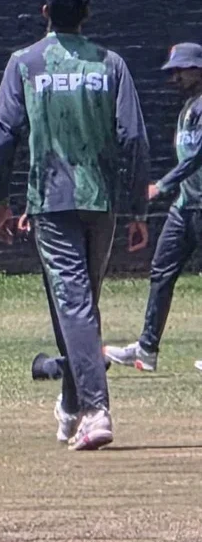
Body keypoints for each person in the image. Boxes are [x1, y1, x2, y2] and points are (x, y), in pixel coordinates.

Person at [0, 0, 150, 450]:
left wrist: (0, 202)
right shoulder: (110, 64)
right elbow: (134, 139)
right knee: (80, 305)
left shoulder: (25, 62)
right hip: (100, 201)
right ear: (87, 15)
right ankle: (70, 406)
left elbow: (3, 138)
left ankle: (97, 410)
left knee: (74, 304)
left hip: (51, 200)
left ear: (44, 13)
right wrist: (138, 207)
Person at [104, 43, 202, 372]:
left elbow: (198, 157)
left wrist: (161, 186)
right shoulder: (189, 107)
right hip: (186, 205)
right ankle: (147, 350)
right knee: (161, 271)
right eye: (173, 71)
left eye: (182, 70)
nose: (175, 76)